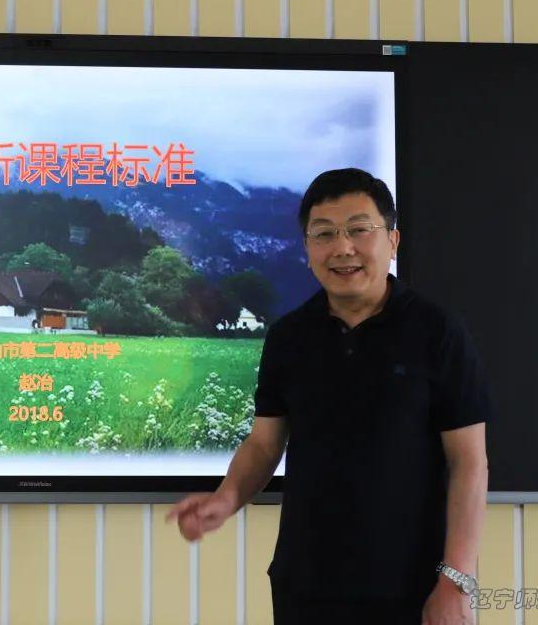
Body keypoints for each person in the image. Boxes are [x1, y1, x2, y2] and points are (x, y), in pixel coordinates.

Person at [166, 168, 491, 625]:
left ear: (393, 241)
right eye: (324, 234)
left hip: (414, 587)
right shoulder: (289, 337)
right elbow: (264, 444)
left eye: (359, 230)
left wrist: (455, 581)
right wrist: (226, 499)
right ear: (307, 249)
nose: (342, 248)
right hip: (306, 586)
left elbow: (469, 463)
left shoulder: (437, 332)